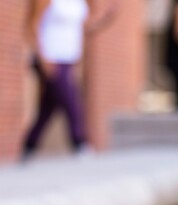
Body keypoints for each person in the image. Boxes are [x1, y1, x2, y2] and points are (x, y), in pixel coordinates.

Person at [23, 0, 116, 160]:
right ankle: (79, 143)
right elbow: (32, 25)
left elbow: (84, 27)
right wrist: (43, 58)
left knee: (48, 107)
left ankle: (28, 146)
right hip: (51, 58)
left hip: (68, 60)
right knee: (71, 101)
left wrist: (107, 17)